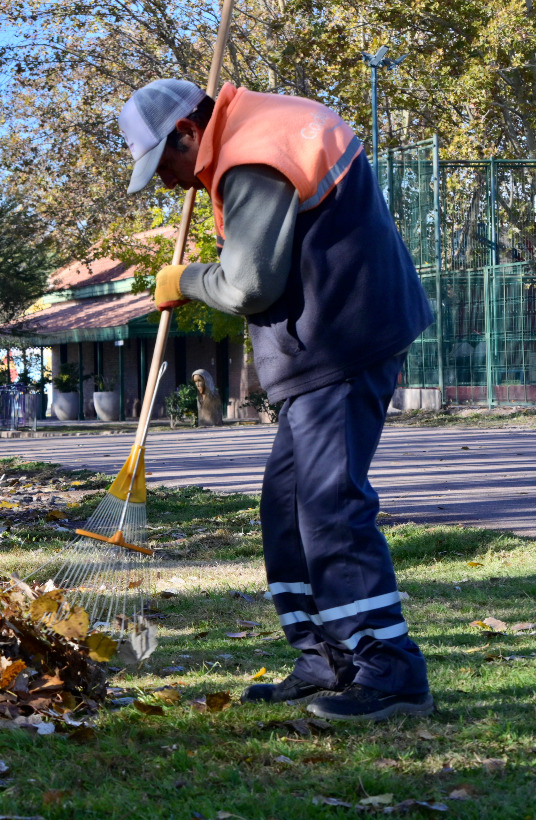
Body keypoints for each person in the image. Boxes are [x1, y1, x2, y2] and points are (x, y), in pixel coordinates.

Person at [119, 78, 433, 722]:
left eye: (168, 165)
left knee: (329, 506)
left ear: (187, 132)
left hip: (341, 340)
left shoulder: (252, 151)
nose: (174, 185)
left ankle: (391, 669)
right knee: (287, 508)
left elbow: (248, 285)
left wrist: (187, 279)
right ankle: (328, 658)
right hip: (329, 340)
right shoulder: (259, 130)